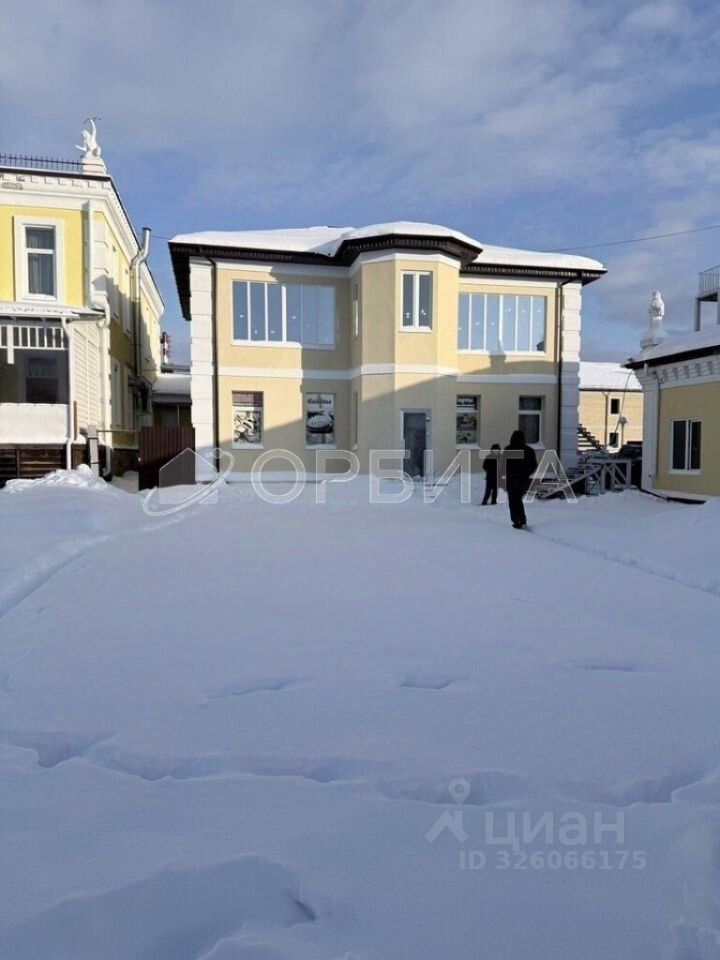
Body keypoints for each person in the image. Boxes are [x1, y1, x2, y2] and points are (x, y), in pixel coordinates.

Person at [504, 429, 537, 529]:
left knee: (513, 500)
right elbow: (534, 465)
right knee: (518, 499)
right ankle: (521, 519)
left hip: (511, 479)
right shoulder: (529, 451)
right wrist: (527, 473)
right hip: (523, 479)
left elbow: (503, 465)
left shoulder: (508, 449)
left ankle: (517, 519)